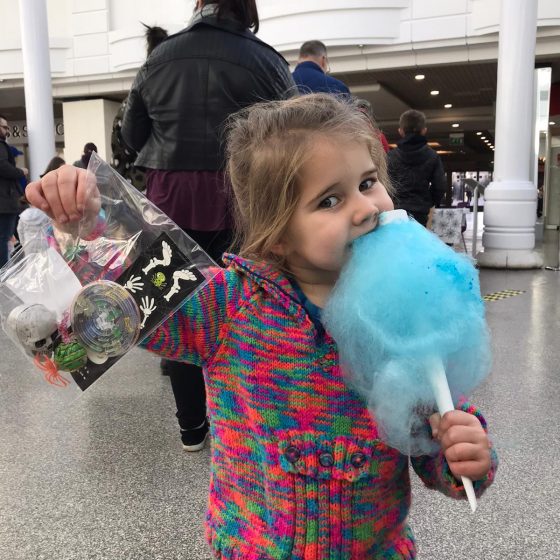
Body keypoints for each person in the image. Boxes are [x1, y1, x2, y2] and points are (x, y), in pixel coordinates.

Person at [27, 94, 496, 558]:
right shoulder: (227, 306)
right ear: (277, 233)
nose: (365, 209)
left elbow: (434, 432)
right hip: (254, 548)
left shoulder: (406, 313)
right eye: (330, 200)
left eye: (368, 182)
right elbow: (131, 298)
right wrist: (89, 221)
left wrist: (461, 454)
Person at [121, 0, 295, 451]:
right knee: (250, 308)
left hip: (169, 198)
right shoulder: (267, 60)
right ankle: (247, 427)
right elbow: (294, 137)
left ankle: (192, 427)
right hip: (242, 198)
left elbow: (131, 134)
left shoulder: (159, 57)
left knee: (175, 308)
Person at [110, 24, 169, 191]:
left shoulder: (130, 101)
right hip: (165, 187)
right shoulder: (175, 99)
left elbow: (120, 149)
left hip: (135, 187)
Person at [387, 109, 447, 227]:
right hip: (420, 211)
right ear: (424, 130)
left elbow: (385, 184)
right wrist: (428, 202)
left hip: (396, 209)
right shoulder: (432, 156)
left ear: (401, 131)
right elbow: (440, 186)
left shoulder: (391, 156)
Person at [0, 114, 28, 267]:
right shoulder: (1, 145)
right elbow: (3, 167)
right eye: (4, 127)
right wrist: (20, 171)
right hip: (5, 202)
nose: (7, 130)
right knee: (4, 237)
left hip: (6, 201)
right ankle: (4, 272)